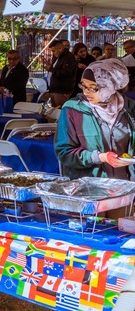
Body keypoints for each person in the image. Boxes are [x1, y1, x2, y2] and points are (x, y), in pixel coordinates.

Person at [55, 59, 135, 219]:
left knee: (120, 236)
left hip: (123, 191)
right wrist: (99, 157)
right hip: (86, 191)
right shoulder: (72, 109)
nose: (86, 92)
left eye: (94, 88)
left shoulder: (129, 109)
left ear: (111, 87)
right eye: (83, 86)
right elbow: (64, 152)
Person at [46, 39, 77, 107]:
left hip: (62, 91)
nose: (53, 53)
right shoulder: (56, 57)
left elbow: (66, 73)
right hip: (54, 89)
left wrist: (51, 70)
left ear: (60, 48)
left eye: (54, 51)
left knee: (59, 111)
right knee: (54, 111)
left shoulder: (69, 57)